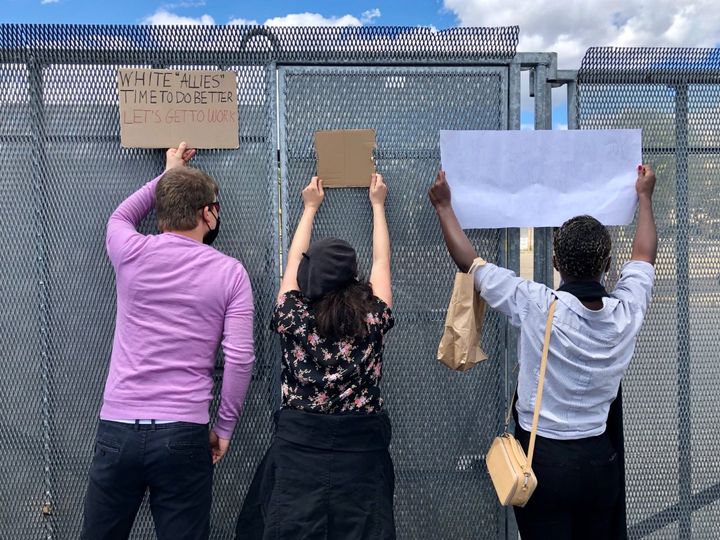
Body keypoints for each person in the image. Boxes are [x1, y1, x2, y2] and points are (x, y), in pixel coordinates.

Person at [429, 165, 657, 540]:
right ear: (609, 266)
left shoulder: (537, 304)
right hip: (601, 462)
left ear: (555, 264)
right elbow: (645, 256)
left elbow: (470, 263)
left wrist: (444, 207)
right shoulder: (626, 311)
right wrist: (644, 197)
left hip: (544, 463)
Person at [82, 143, 256, 540]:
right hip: (184, 432)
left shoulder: (130, 251)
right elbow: (240, 359)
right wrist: (224, 428)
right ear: (208, 213)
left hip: (118, 430)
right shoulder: (230, 273)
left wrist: (167, 176)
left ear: (161, 213)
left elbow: (122, 215)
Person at [235, 174, 395, 540]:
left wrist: (309, 208)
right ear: (354, 277)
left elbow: (292, 263)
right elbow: (382, 263)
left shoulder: (292, 315)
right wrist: (378, 206)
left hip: (299, 452)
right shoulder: (371, 316)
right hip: (362, 454)